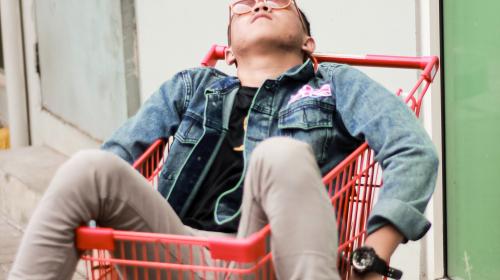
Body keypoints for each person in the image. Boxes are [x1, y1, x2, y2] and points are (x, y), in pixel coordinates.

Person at [9, 0, 439, 279]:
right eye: (244, 5)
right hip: (177, 255)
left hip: (271, 259)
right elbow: (121, 158)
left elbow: (413, 151)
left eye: (279, 1)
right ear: (229, 50)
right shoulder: (192, 86)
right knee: (90, 169)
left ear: (309, 43)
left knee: (281, 155)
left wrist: (371, 259)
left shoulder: (336, 85)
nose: (260, 4)